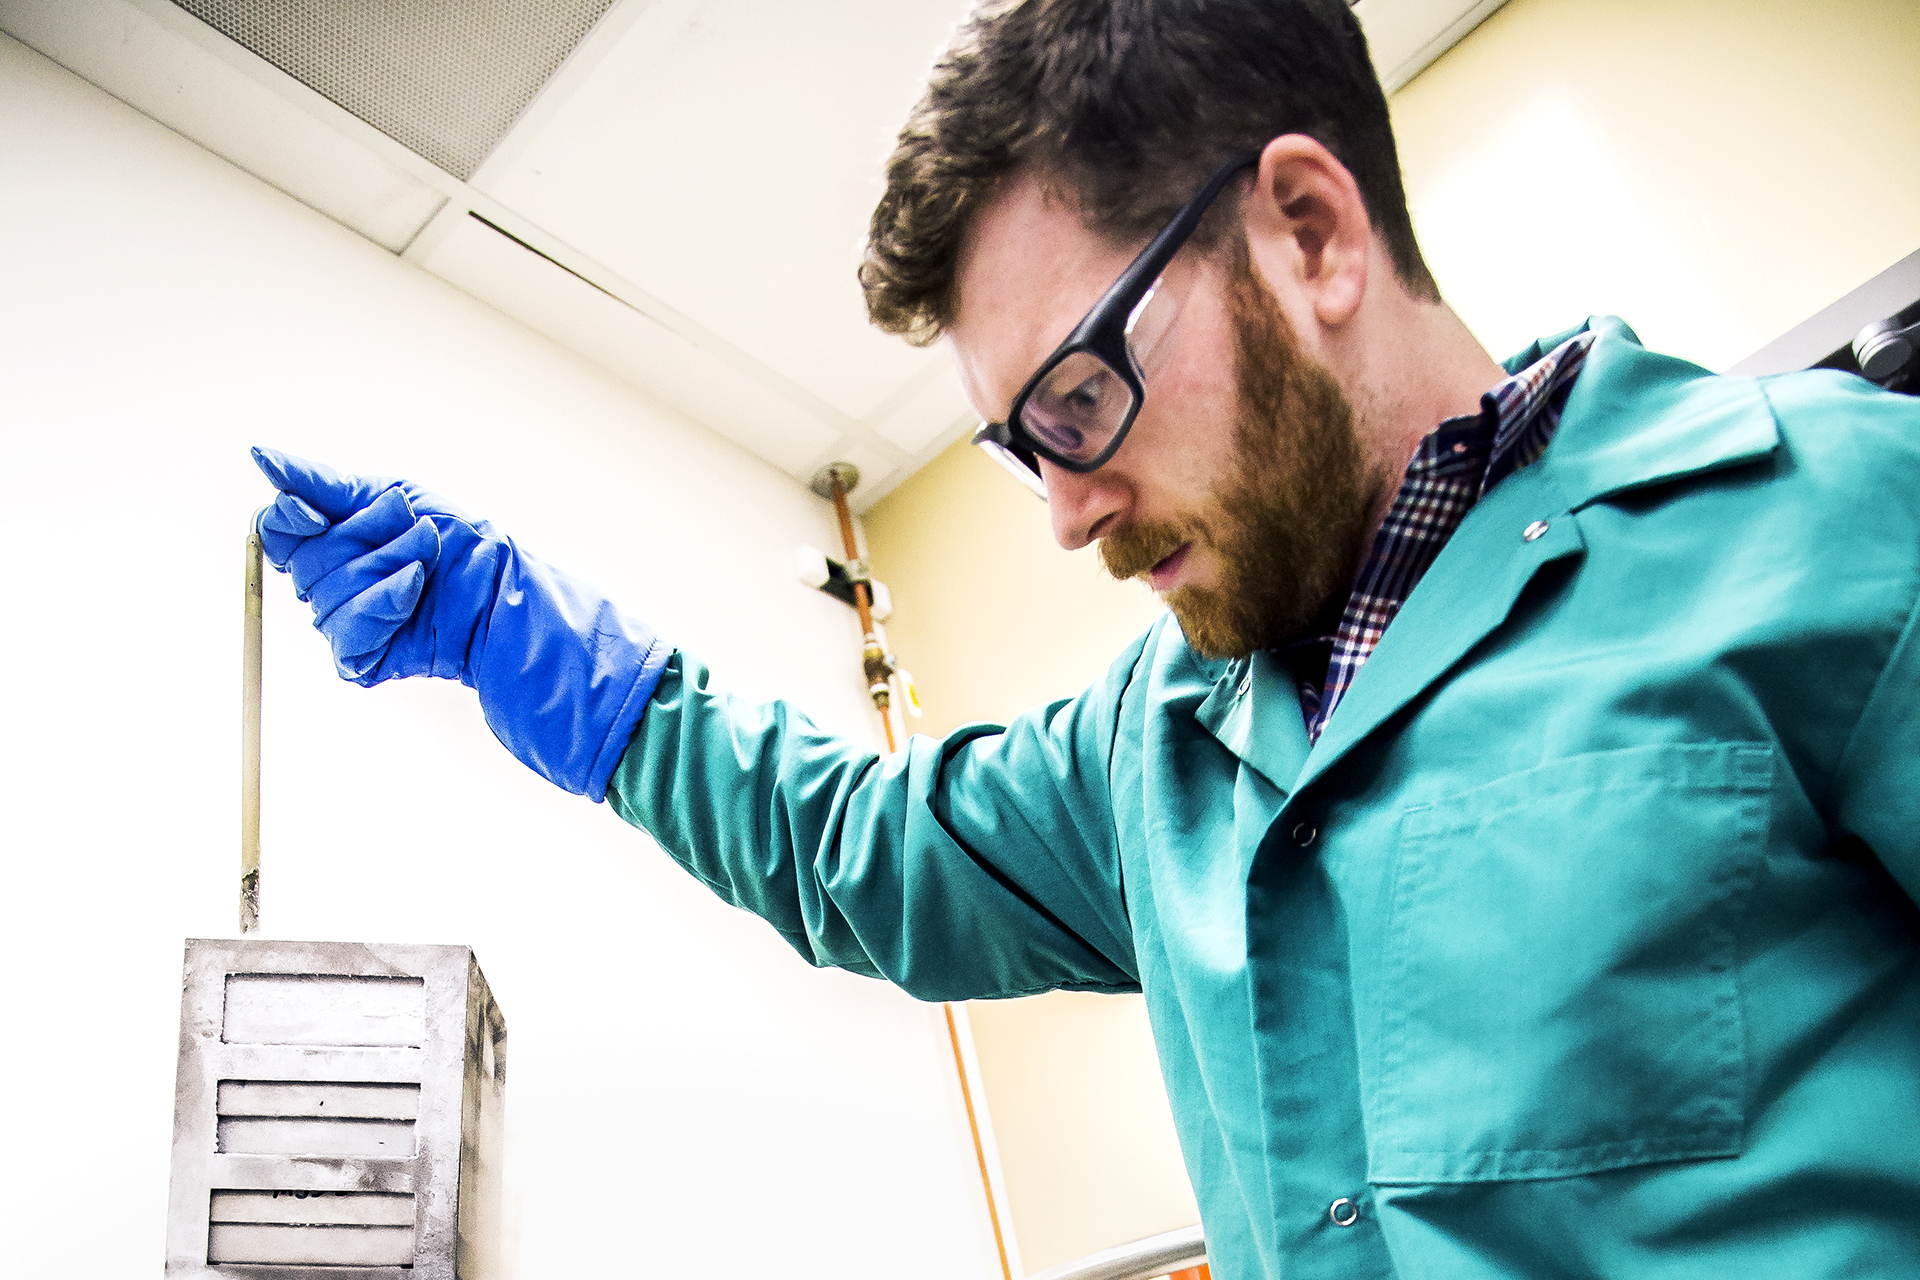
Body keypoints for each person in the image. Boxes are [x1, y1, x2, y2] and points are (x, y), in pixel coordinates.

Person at [251, 1, 1920, 1276]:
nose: (1062, 511)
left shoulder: (1838, 519)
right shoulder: (1163, 743)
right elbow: (858, 854)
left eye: (1080, 397)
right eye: (1022, 444)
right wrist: (525, 650)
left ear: (1314, 233)